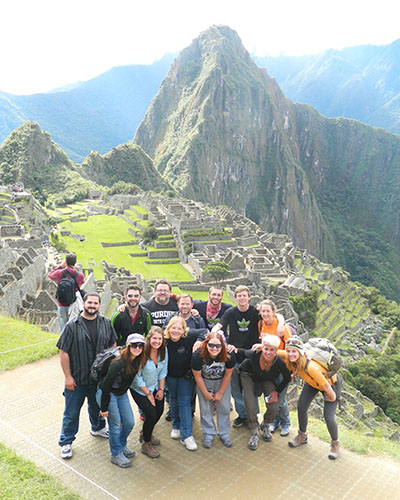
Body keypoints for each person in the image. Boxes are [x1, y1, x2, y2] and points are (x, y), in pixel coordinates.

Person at [57, 292, 117, 459]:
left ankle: (97, 428)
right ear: (84, 303)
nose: (92, 306)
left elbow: (113, 344)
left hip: (98, 379)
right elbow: (63, 352)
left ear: (99, 305)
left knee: (97, 407)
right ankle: (66, 441)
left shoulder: (105, 323)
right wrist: (67, 377)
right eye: (89, 302)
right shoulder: (72, 325)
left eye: (95, 303)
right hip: (77, 379)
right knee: (71, 412)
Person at [280, 336, 342, 460]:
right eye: (289, 351)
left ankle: (335, 444)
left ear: (300, 352)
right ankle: (302, 435)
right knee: (302, 407)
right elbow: (279, 352)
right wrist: (261, 347)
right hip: (312, 383)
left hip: (329, 384)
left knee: (328, 417)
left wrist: (334, 397)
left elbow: (325, 385)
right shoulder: (291, 357)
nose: (291, 354)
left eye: (294, 351)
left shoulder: (311, 367)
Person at [211, 285, 260, 427]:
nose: (242, 298)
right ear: (235, 297)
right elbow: (219, 326)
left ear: (249, 297)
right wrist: (214, 336)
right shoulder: (231, 312)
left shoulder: (255, 312)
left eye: (244, 295)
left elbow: (274, 315)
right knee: (236, 390)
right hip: (234, 356)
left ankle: (253, 416)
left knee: (249, 391)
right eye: (239, 296)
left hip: (251, 356)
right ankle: (242, 415)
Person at [97, 333, 145, 468]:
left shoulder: (137, 360)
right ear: (128, 346)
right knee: (115, 424)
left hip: (120, 393)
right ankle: (116, 453)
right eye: (134, 345)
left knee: (129, 422)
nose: (138, 348)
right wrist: (104, 408)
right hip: (108, 393)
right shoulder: (117, 363)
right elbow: (105, 386)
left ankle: (121, 445)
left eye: (141, 346)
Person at [239, 334, 291, 450]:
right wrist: (232, 348)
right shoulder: (255, 354)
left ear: (276, 350)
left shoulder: (278, 362)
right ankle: (254, 430)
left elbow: (287, 377)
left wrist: (276, 392)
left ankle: (266, 424)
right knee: (250, 402)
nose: (268, 353)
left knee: (274, 406)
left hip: (266, 379)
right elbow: (241, 352)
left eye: (271, 350)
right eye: (266, 349)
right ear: (262, 348)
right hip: (249, 375)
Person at [191, 332, 235, 449]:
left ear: (222, 346)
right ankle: (209, 433)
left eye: (218, 346)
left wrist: (220, 392)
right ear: (206, 344)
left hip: (222, 381)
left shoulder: (229, 355)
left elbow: (227, 375)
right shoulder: (198, 355)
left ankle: (224, 433)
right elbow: (198, 376)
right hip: (205, 381)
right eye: (211, 345)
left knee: (224, 407)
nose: (214, 349)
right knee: (205, 408)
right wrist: (205, 393)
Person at [130, 326, 168, 459]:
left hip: (156, 385)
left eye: (160, 339)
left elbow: (163, 371)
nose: (157, 341)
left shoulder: (163, 351)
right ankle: (146, 443)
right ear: (149, 339)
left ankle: (145, 431)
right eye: (154, 338)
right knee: (151, 414)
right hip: (140, 388)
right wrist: (148, 394)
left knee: (159, 411)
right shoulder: (141, 352)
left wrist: (161, 389)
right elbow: (137, 377)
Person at [165, 316, 200, 451]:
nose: (176, 331)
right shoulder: (165, 340)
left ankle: (187, 435)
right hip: (170, 376)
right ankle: (176, 425)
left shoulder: (189, 337)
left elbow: (204, 332)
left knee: (184, 402)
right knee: (173, 399)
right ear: (169, 328)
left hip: (186, 376)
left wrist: (199, 341)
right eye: (173, 328)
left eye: (179, 328)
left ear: (184, 330)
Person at [258, 299, 292, 436]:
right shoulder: (260, 324)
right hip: (270, 369)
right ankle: (274, 421)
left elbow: (291, 351)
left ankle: (286, 423)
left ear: (274, 312)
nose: (265, 314)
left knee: (281, 399)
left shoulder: (282, 328)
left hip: (284, 368)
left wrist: (274, 351)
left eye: (268, 311)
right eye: (263, 311)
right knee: (272, 399)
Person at [48, 252, 85, 332]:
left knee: (63, 328)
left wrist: (61, 266)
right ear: (75, 262)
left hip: (62, 303)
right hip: (74, 303)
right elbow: (81, 283)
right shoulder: (80, 275)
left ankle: (64, 342)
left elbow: (50, 275)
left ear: (66, 261)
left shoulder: (59, 273)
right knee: (74, 327)